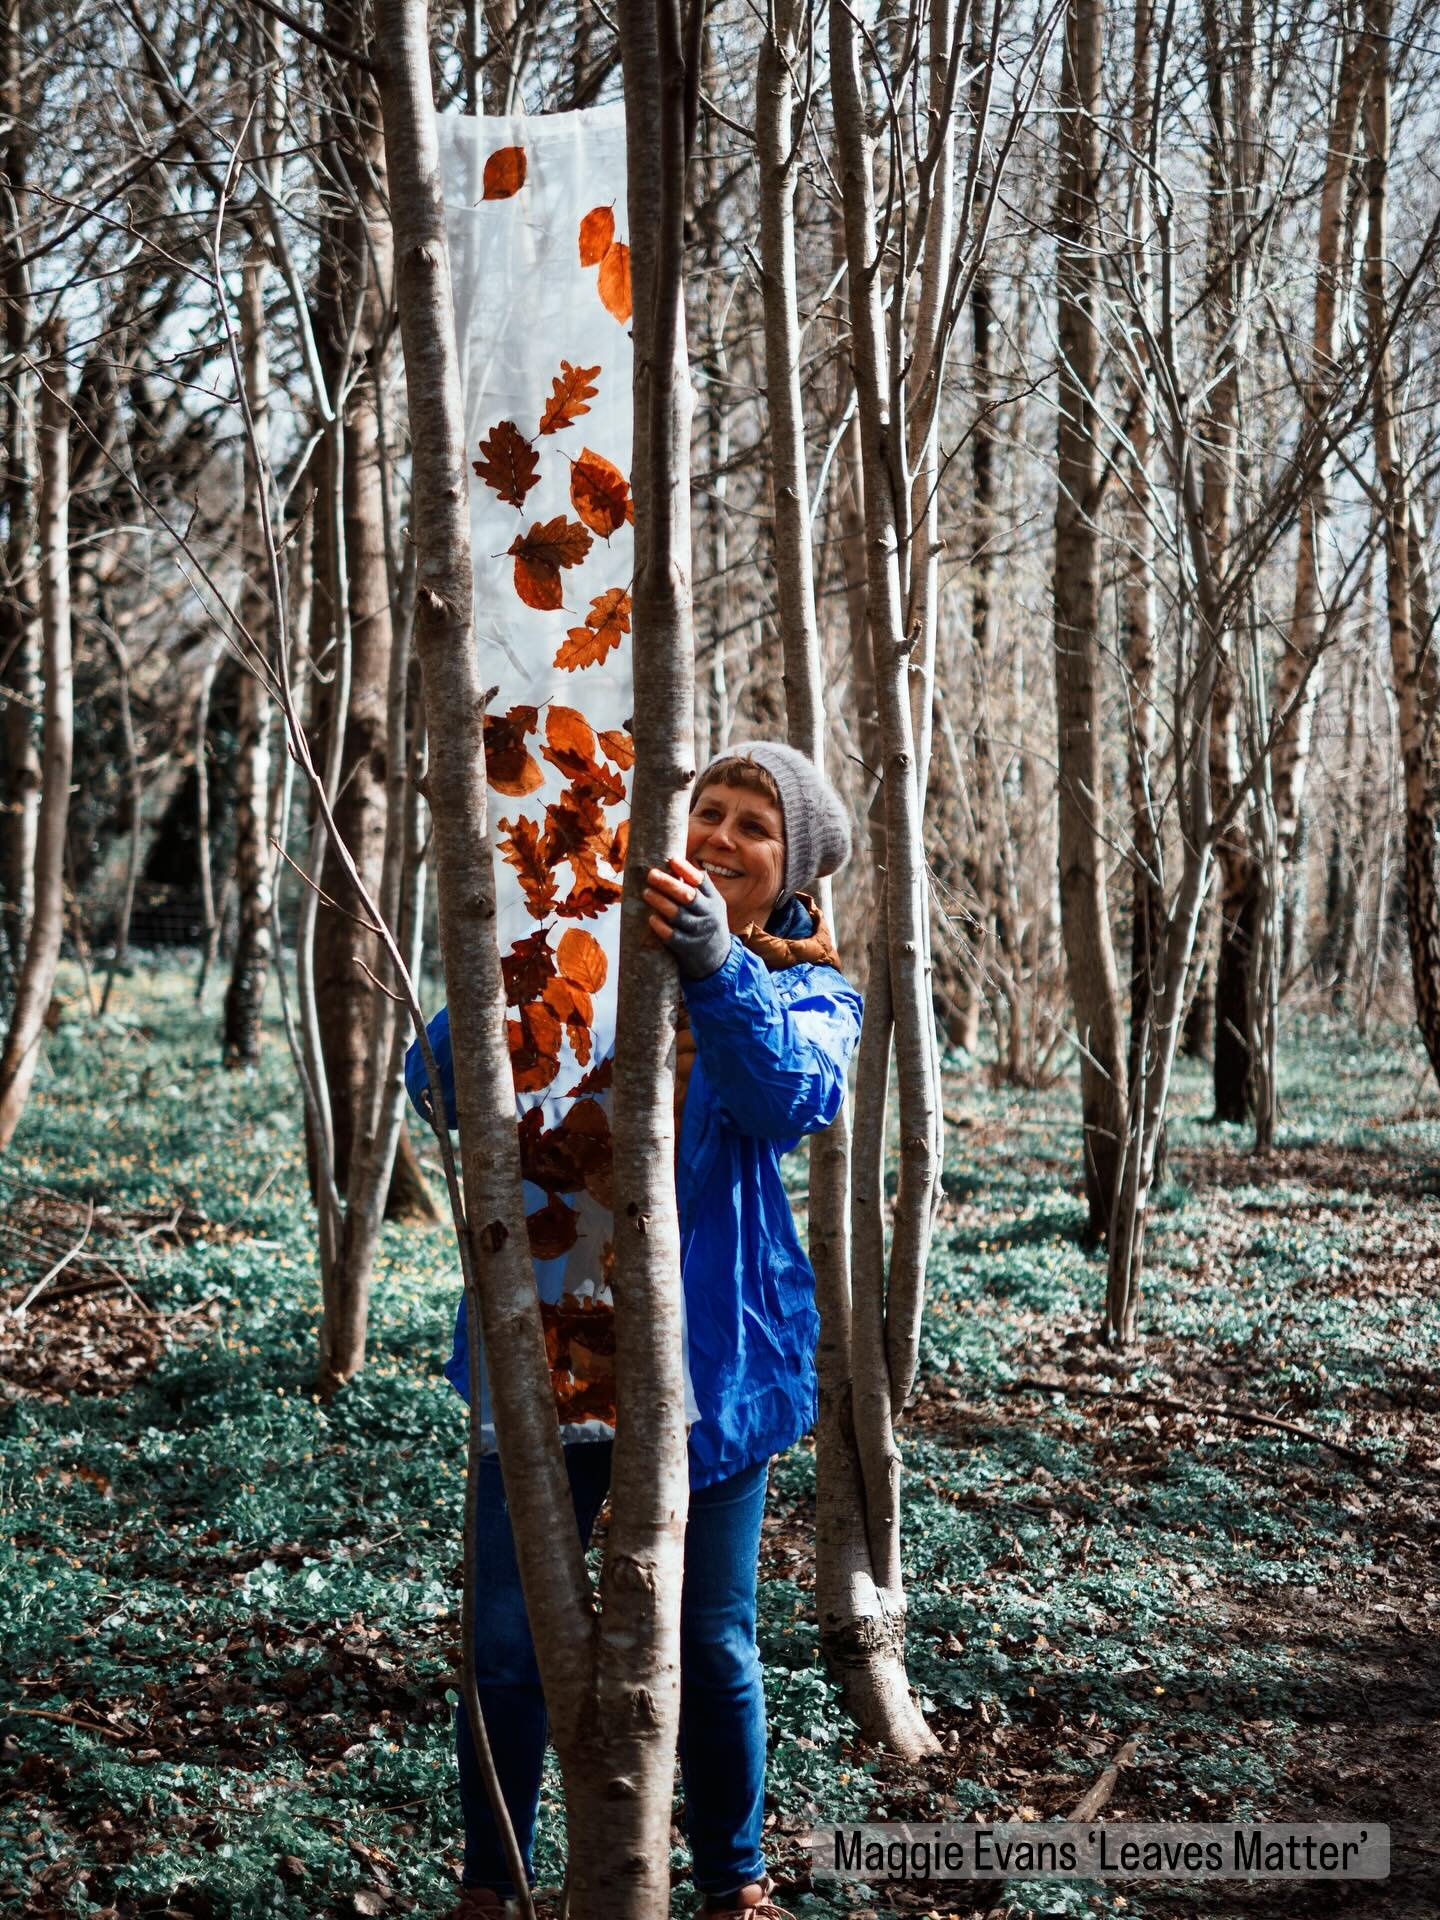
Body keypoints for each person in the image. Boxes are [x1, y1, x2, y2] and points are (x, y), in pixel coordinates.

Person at [408, 741, 862, 1920]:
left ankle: (733, 1883)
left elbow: (789, 1097)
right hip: (547, 1334)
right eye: (704, 809)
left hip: (704, 1361)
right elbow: (442, 1091)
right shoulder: (591, 941)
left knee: (710, 1646)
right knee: (508, 1642)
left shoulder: (811, 986)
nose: (717, 835)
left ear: (793, 864)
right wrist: (509, 954)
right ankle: (491, 1886)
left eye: (752, 825)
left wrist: (712, 961)